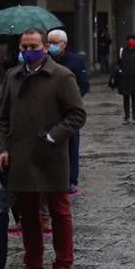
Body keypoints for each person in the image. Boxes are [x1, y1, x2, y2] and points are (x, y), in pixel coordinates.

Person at [0, 27, 86, 269]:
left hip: (50, 154)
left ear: (46, 47)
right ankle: (33, 265)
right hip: (21, 155)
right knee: (28, 213)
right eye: (23, 47)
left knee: (59, 212)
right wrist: (4, 148)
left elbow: (77, 115)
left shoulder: (61, 76)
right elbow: (3, 116)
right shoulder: (12, 76)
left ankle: (63, 265)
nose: (27, 51)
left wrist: (52, 137)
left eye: (33, 46)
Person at [46, 29, 90, 195]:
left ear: (64, 44)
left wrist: (72, 102)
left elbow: (84, 85)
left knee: (71, 145)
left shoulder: (76, 61)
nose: (51, 46)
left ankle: (71, 180)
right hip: (49, 111)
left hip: (68, 111)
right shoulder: (44, 59)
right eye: (49, 42)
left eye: (55, 43)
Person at [115, 33, 135, 123]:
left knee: (134, 97)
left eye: (133, 39)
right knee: (126, 97)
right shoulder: (122, 51)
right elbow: (118, 63)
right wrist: (119, 70)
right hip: (124, 77)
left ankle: (134, 114)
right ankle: (127, 115)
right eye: (129, 39)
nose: (131, 41)